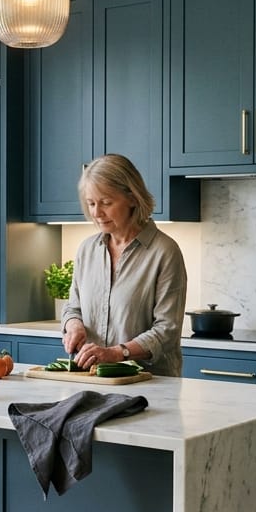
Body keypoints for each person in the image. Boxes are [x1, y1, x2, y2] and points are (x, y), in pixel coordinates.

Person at [61, 154, 187, 377]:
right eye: (91, 203)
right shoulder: (87, 250)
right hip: (91, 379)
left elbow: (167, 330)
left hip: (149, 385)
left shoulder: (164, 251)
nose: (96, 213)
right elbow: (73, 308)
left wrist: (117, 353)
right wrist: (74, 326)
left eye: (106, 203)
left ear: (132, 197)